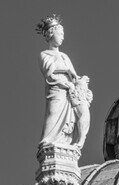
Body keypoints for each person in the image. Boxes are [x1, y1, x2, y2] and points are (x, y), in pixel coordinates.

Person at [36, 15, 91, 149]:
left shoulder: (64, 56)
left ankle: (65, 142)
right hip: (56, 90)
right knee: (53, 113)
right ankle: (48, 141)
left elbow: (74, 76)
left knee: (73, 117)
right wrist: (66, 70)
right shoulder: (44, 54)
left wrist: (81, 79)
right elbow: (49, 70)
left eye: (63, 34)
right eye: (60, 33)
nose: (63, 37)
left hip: (68, 91)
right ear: (50, 34)